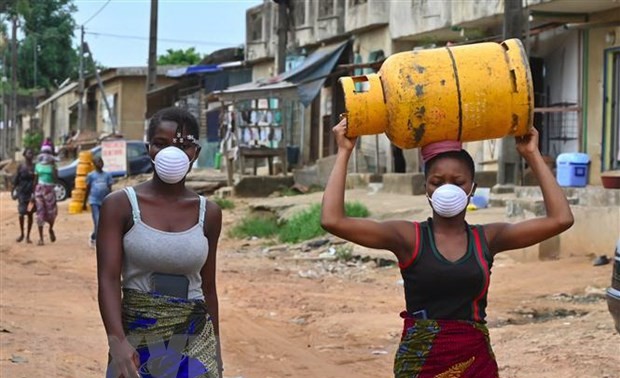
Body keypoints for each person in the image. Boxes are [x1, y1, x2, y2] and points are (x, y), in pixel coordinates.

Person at [320, 119, 574, 377]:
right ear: (425, 188)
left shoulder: (487, 238)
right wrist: (344, 151)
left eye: (458, 181)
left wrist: (531, 153)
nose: (447, 189)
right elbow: (333, 220)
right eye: (437, 182)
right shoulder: (408, 237)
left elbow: (560, 219)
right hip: (421, 362)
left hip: (474, 362)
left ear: (472, 189)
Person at [97, 107, 223, 378]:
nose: (173, 154)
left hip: (194, 340)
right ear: (149, 149)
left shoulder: (209, 213)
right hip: (136, 338)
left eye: (184, 146)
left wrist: (217, 354)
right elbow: (108, 280)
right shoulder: (120, 206)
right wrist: (117, 343)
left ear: (196, 153)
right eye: (161, 144)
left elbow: (208, 287)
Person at [83, 156, 114, 248]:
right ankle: (97, 241)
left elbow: (109, 189)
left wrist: (111, 201)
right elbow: (87, 189)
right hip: (94, 201)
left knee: (104, 222)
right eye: (97, 162)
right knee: (97, 221)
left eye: (101, 161)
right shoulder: (91, 176)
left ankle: (93, 236)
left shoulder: (107, 175)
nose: (100, 164)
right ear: (94, 165)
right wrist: (84, 203)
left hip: (104, 201)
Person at [33, 145, 59, 246]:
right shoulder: (38, 165)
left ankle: (51, 229)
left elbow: (56, 179)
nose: (46, 155)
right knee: (40, 213)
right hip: (39, 189)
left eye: (48, 153)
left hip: (50, 190)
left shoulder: (53, 166)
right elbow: (35, 180)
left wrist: (53, 167)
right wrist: (32, 193)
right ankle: (41, 238)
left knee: (51, 213)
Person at [12, 148, 36, 243]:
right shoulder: (21, 167)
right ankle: (22, 233)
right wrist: (13, 191)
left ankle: (28, 236)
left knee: (30, 214)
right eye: (29, 153)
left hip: (31, 194)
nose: (31, 155)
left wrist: (35, 193)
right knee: (21, 213)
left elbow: (36, 180)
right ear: (24, 155)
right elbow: (16, 179)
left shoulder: (35, 167)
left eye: (32, 153)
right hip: (22, 193)